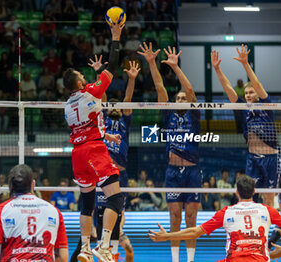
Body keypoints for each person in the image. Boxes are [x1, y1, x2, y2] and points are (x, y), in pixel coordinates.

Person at [148, 175, 281, 262]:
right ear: (255, 192)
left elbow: (195, 231)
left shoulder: (226, 212)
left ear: (236, 192)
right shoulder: (267, 210)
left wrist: (167, 236)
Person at [63, 21, 125, 262]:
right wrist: (116, 36)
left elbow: (86, 126)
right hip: (93, 151)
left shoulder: (67, 106)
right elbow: (114, 68)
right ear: (80, 84)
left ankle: (86, 250)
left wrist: (105, 134)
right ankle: (104, 245)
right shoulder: (91, 91)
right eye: (82, 77)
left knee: (87, 203)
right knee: (115, 198)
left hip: (77, 154)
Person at [138, 43, 201, 262]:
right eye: (179, 99)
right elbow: (159, 87)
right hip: (173, 173)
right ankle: (175, 260)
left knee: (191, 219)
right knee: (174, 218)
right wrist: (152, 63)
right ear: (174, 103)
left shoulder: (194, 115)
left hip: (192, 173)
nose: (182, 100)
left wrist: (175, 67)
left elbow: (191, 91)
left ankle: (190, 260)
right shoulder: (168, 115)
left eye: (184, 98)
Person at [211, 45, 278, 207]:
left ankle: (266, 231)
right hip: (252, 159)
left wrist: (245, 64)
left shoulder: (266, 105)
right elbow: (228, 89)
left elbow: (257, 83)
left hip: (270, 159)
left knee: (268, 199)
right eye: (246, 93)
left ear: (257, 93)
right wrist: (217, 68)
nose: (248, 95)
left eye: (251, 92)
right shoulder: (243, 108)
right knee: (250, 197)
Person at [88, 56, 139, 262]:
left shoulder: (125, 120)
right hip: (102, 172)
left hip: (121, 173)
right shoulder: (105, 119)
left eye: (119, 106)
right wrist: (99, 72)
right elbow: (101, 93)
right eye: (113, 106)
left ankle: (112, 252)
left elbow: (128, 98)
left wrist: (132, 79)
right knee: (99, 211)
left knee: (118, 213)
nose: (116, 107)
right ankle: (99, 246)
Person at [0, 164, 68, 261]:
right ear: (33, 184)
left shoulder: (1, 210)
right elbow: (63, 257)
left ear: (10, 186)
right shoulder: (54, 211)